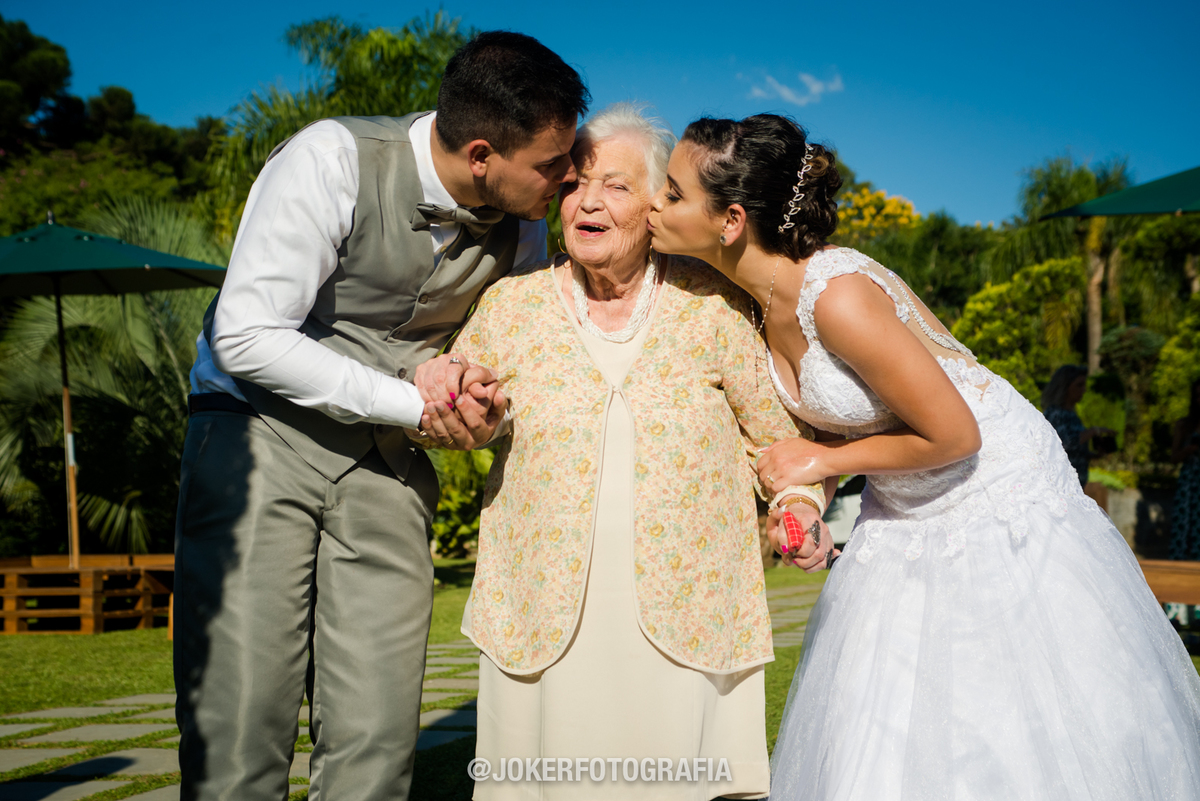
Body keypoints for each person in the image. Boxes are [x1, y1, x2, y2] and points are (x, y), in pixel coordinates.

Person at [648, 113, 1200, 800]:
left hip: (996, 491)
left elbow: (954, 433)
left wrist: (822, 462)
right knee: (883, 712)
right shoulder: (751, 303)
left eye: (671, 193)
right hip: (903, 498)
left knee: (1007, 713)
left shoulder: (838, 296)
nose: (653, 205)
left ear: (730, 221)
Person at [174, 32, 588, 801]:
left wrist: (481, 407)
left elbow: (505, 358)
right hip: (257, 441)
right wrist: (412, 402)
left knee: (379, 731)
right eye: (552, 163)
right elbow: (246, 333)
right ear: (479, 155)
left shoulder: (524, 227)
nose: (570, 176)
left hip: (390, 464)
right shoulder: (329, 159)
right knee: (239, 719)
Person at [421, 103, 829, 800]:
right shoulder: (510, 307)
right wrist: (447, 396)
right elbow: (450, 411)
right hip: (542, 611)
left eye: (614, 184)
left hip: (687, 610)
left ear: (656, 205)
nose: (587, 200)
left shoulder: (715, 306)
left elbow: (778, 443)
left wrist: (796, 504)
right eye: (575, 183)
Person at [1041, 364, 1115, 487]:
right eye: (1079, 385)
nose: (1084, 390)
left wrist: (1095, 455)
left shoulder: (1072, 414)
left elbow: (1072, 452)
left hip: (1075, 487)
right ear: (1064, 386)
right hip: (1061, 487)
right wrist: (1093, 431)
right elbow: (1063, 444)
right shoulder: (1055, 413)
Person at [1170, 378, 1200, 560]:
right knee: (1184, 523)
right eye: (1197, 396)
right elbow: (1173, 458)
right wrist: (1188, 450)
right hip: (1189, 481)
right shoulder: (1184, 425)